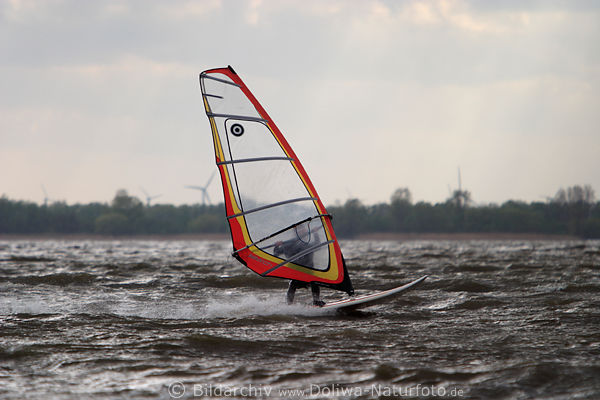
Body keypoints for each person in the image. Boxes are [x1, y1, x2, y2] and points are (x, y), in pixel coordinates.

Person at [274, 223, 326, 307]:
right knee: (293, 283)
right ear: (296, 233)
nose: (304, 231)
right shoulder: (288, 245)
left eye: (304, 229)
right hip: (296, 274)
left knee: (315, 281)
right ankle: (289, 305)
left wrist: (315, 233)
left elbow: (318, 246)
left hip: (308, 273)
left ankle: (316, 301)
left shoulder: (307, 245)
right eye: (300, 230)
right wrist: (277, 246)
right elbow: (276, 254)